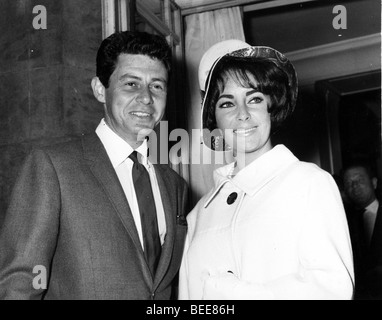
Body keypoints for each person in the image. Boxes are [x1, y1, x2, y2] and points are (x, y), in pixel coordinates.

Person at [0, 31, 189, 300]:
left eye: (157, 85)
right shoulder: (53, 168)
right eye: (131, 84)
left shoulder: (174, 185)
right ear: (100, 90)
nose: (147, 98)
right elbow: (18, 284)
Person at [178, 40, 354, 300]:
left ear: (271, 107)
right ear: (214, 117)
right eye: (227, 103)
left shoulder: (309, 183)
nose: (243, 114)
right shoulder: (198, 214)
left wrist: (229, 292)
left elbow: (332, 290)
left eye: (255, 99)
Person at [342, 161, 382, 299]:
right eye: (348, 183)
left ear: (374, 183)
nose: (354, 186)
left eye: (359, 179)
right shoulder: (345, 223)